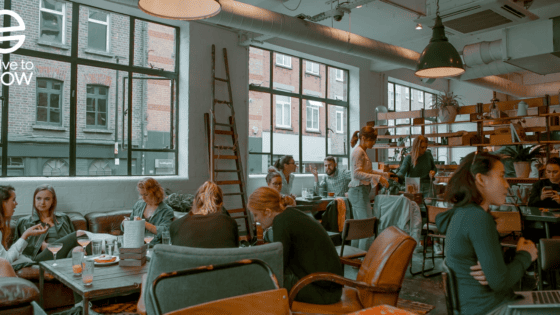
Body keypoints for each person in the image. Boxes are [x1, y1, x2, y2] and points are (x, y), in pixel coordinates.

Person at [435, 152, 538, 315]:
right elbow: (500, 281)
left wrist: (494, 270)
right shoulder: (477, 218)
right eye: (502, 176)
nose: (507, 185)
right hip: (490, 309)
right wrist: (526, 255)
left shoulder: (462, 213)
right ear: (481, 179)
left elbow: (496, 277)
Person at [247, 186, 343, 305]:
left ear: (267, 212)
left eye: (256, 215)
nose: (256, 220)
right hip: (331, 286)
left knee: (262, 278)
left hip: (323, 292)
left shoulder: (281, 223)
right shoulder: (290, 214)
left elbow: (279, 264)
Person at [14, 185, 88, 267]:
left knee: (79, 249)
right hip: (41, 257)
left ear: (53, 201)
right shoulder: (25, 222)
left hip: (64, 255)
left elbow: (73, 243)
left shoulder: (63, 218)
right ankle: (95, 259)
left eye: (47, 199)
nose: (42, 202)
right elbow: (38, 247)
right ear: (34, 200)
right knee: (80, 234)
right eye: (38, 198)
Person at [348, 126, 389, 251]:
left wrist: (383, 174)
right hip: (359, 191)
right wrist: (378, 178)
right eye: (372, 140)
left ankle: (353, 258)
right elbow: (356, 173)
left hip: (359, 192)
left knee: (359, 228)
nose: (374, 143)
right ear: (363, 138)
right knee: (367, 228)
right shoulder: (359, 152)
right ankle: (363, 261)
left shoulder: (361, 151)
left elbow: (367, 171)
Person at [169, 181, 239, 248]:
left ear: (194, 202)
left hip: (188, 260)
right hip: (222, 260)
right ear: (220, 204)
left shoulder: (175, 226)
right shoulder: (230, 223)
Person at [0, 185, 49, 265]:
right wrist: (25, 235)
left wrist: (26, 234)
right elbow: (5, 261)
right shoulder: (25, 221)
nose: (16, 203)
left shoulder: (63, 218)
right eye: (13, 200)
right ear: (3, 203)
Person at [123, 178, 174, 244]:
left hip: (155, 246)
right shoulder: (138, 205)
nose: (143, 198)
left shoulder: (166, 210)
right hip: (137, 244)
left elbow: (165, 231)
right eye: (141, 194)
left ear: (155, 193)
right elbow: (131, 224)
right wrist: (125, 224)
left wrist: (143, 223)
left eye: (146, 194)